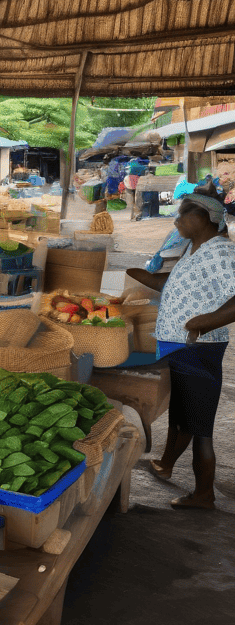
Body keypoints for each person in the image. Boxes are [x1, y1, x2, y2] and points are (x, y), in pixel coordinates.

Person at [127, 182, 235, 509]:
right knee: (181, 414)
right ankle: (166, 463)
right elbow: (169, 282)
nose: (176, 221)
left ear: (203, 217)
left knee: (199, 425)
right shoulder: (194, 247)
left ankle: (204, 495)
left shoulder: (222, 253)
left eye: (183, 216)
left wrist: (205, 321)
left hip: (198, 349)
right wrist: (133, 276)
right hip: (178, 345)